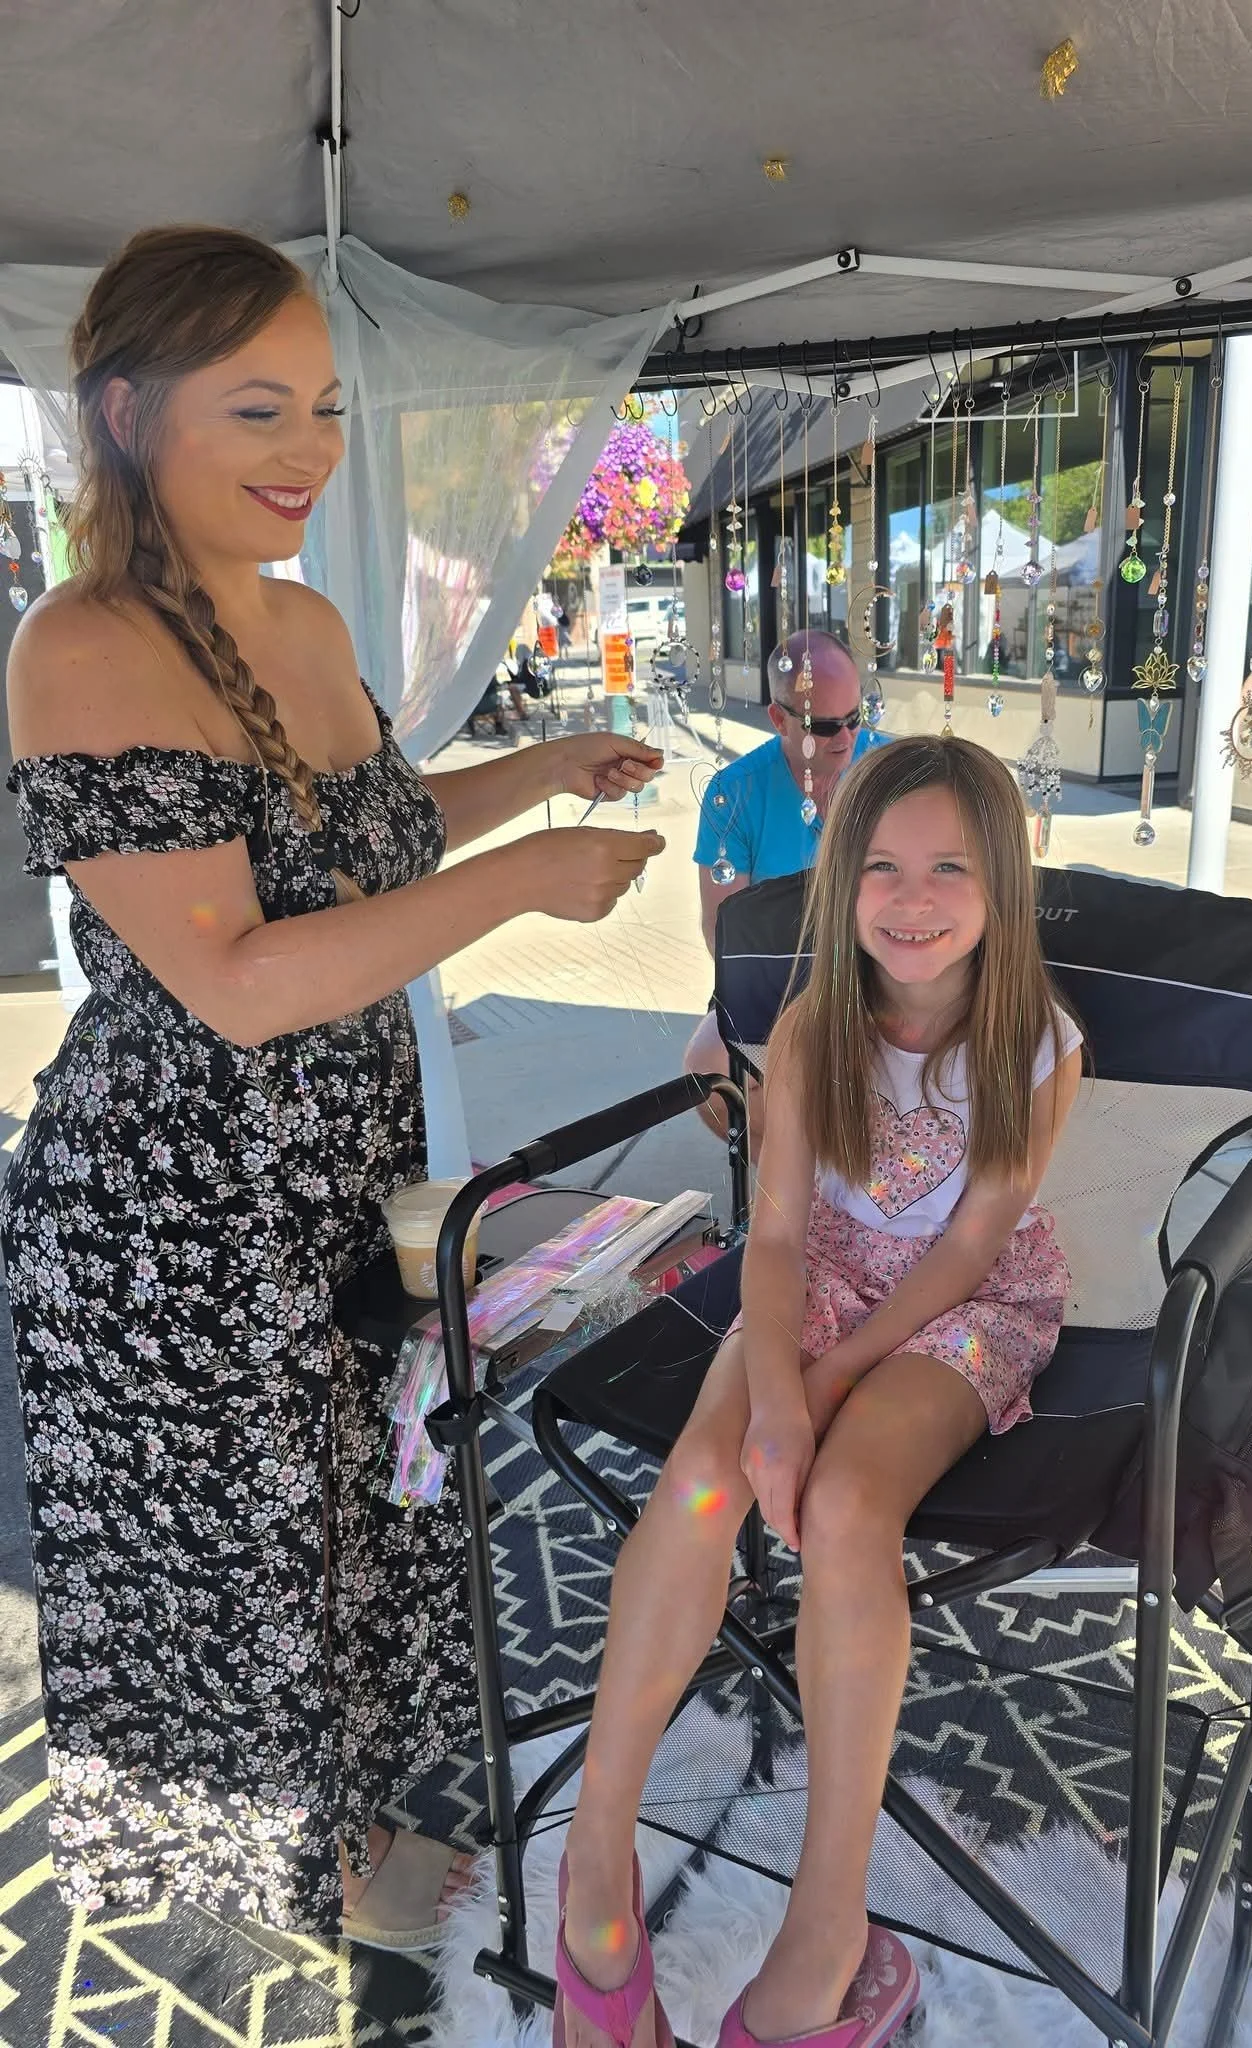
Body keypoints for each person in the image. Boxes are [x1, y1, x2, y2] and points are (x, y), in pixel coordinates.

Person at [0, 225, 665, 1946]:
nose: (307, 451)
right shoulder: (78, 651)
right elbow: (235, 978)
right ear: (132, 415)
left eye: (322, 409)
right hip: (175, 1229)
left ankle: (342, 1841)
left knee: (354, 1538)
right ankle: (252, 1889)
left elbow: (358, 844)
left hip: (331, 1182)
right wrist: (525, 887)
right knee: (232, 1573)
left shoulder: (296, 618)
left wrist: (531, 778)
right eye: (256, 411)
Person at [556, 734, 1083, 2048]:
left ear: (1002, 885)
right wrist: (778, 1400)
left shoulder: (1039, 1044)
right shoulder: (808, 1028)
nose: (914, 900)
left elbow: (968, 1248)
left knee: (852, 1508)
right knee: (697, 1479)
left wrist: (831, 1383)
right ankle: (593, 1859)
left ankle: (828, 1922)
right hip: (818, 1276)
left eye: (951, 867)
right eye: (886, 868)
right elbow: (779, 1239)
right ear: (845, 880)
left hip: (961, 1309)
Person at [683, 629, 882, 1145]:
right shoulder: (735, 792)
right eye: (824, 724)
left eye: (856, 719)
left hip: (887, 972)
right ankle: (790, 1192)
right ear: (778, 719)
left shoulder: (893, 772)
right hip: (780, 978)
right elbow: (722, 931)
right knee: (709, 1069)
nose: (846, 738)